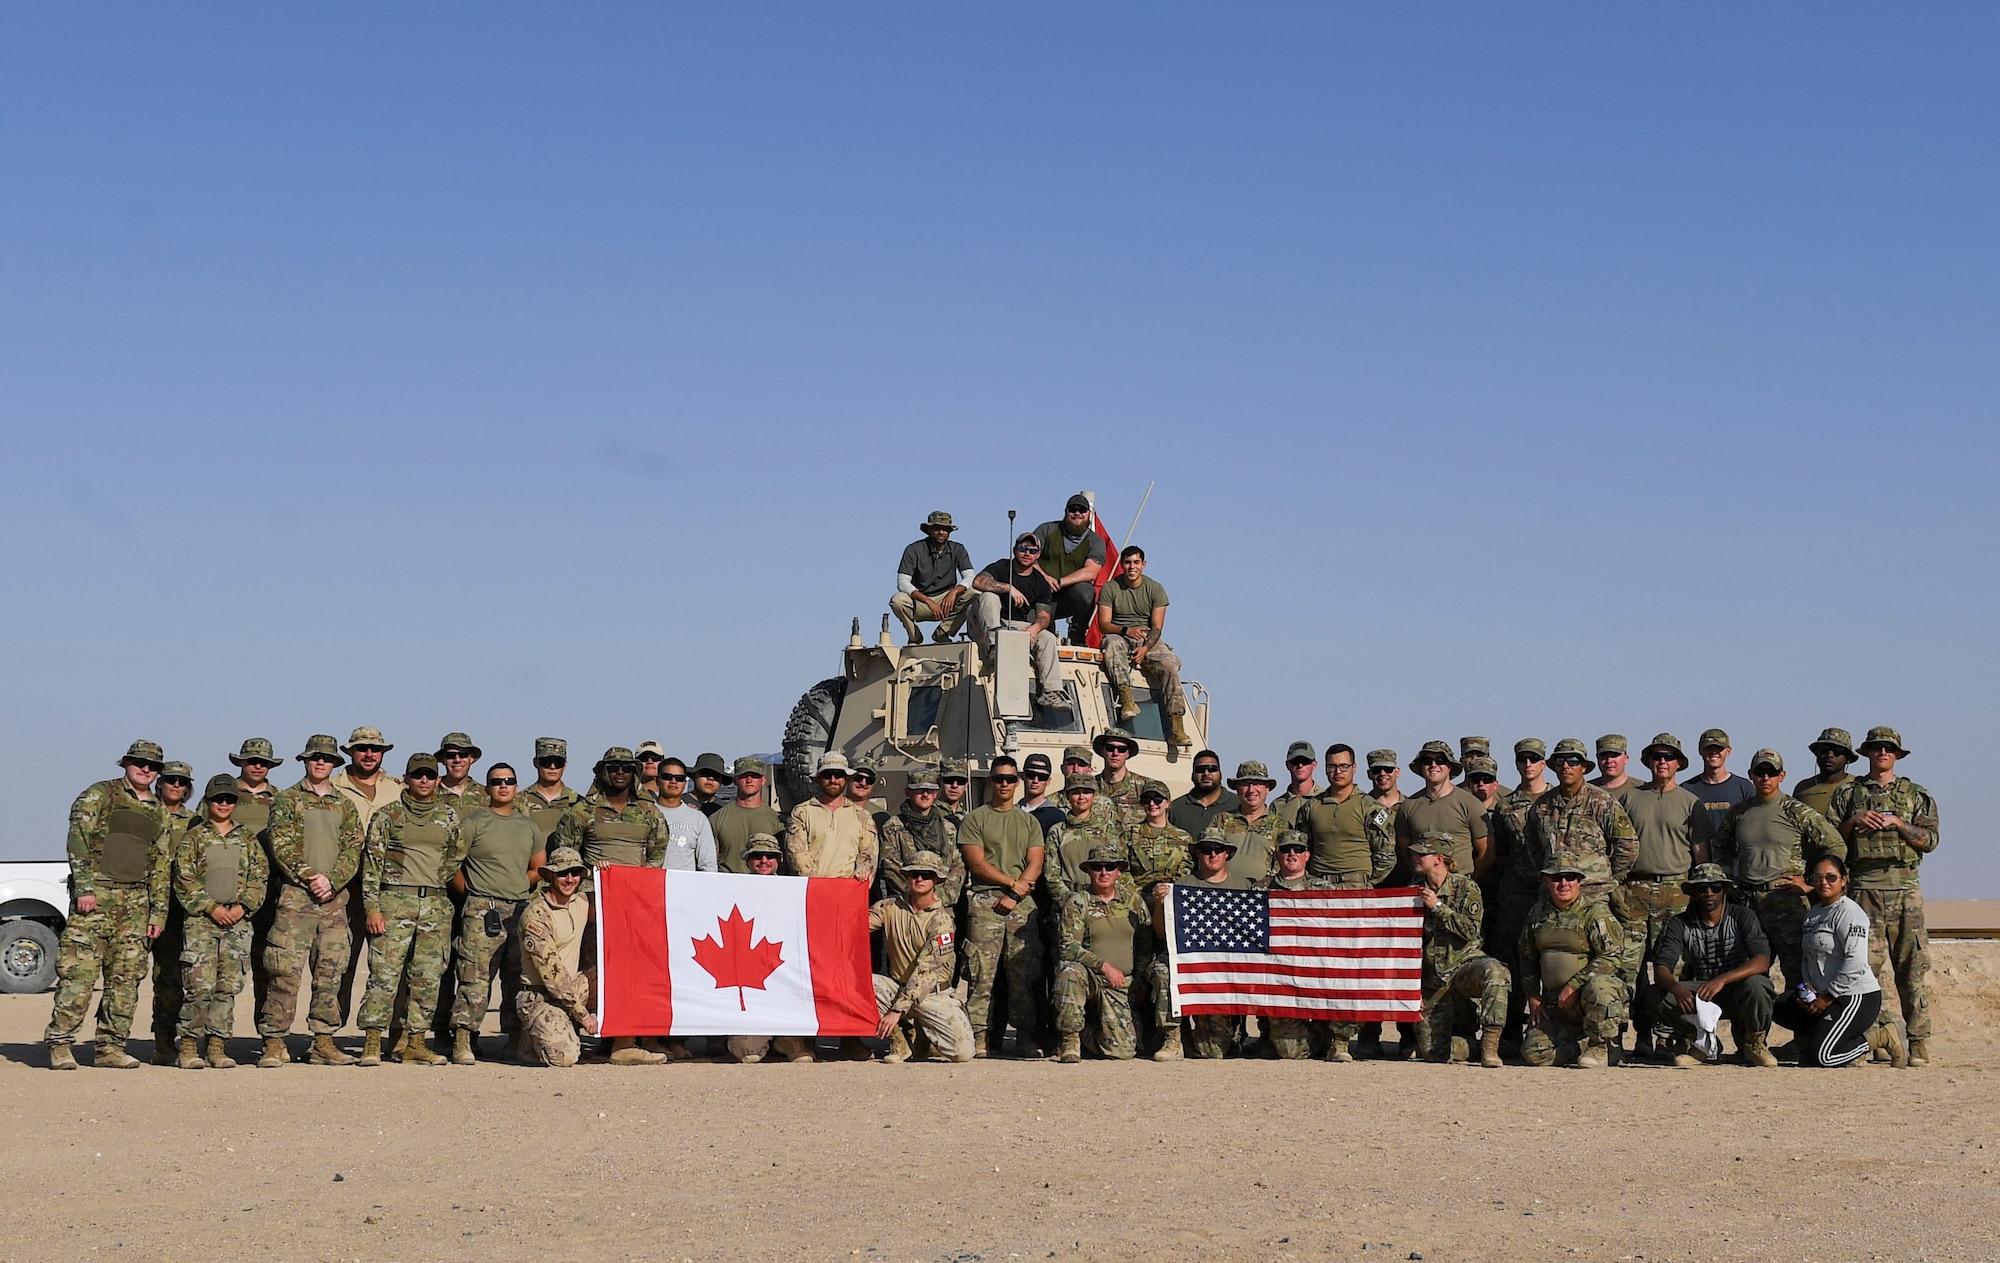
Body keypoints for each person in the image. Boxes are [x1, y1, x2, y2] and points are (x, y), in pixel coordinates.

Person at [45, 740, 171, 1071]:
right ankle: (61, 1044)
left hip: (135, 905)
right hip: (96, 899)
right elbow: (78, 840)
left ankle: (110, 1047)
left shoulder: (158, 810)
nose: (146, 769)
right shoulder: (101, 794)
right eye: (139, 763)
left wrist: (157, 912)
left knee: (125, 981)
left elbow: (160, 864)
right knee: (79, 976)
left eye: (153, 766)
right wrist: (85, 888)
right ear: (126, 763)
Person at [1828, 727, 1939, 1066]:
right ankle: (1875, 1036)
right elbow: (1830, 841)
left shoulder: (1915, 794)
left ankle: (1917, 1041)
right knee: (1864, 971)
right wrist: (1854, 821)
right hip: (1863, 889)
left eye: (1888, 748)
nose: (1882, 753)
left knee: (1912, 969)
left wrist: (1898, 824)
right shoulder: (1848, 795)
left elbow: (1931, 840)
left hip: (1905, 889)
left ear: (1897, 754)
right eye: (1876, 748)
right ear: (1867, 753)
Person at [259, 734, 367, 1068]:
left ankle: (323, 1041)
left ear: (335, 763)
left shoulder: (344, 805)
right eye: (315, 757)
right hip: (296, 898)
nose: (321, 763)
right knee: (284, 972)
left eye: (327, 758)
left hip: (335, 902)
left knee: (331, 972)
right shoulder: (287, 799)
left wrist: (332, 881)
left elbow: (353, 848)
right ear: (305, 761)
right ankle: (275, 1042)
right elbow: (282, 845)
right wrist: (311, 877)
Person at [356, 753, 467, 1067]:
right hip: (394, 902)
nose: (423, 780)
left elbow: (453, 859)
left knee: (428, 976)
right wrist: (373, 909)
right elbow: (371, 867)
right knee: (384, 976)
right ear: (406, 778)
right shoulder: (387, 816)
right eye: (417, 774)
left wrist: (432, 887)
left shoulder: (448, 817)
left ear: (436, 780)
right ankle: (373, 1041)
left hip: (434, 904)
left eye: (429, 775)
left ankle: (416, 1041)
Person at [1708, 749, 1843, 996]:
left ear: (1782, 776)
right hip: (1748, 905)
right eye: (1760, 772)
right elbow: (1720, 847)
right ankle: (1754, 1036)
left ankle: (1802, 1034)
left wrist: (1812, 882)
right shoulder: (1739, 813)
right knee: (1749, 980)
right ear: (1751, 775)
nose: (1765, 778)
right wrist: (1730, 879)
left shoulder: (1796, 811)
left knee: (1799, 978)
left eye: (1771, 772)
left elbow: (1836, 846)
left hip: (1787, 903)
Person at [448, 763, 545, 1065]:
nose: (503, 786)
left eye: (509, 781)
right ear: (488, 788)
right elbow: (452, 867)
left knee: (517, 977)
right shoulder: (473, 823)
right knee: (475, 976)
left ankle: (515, 1040)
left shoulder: (528, 826)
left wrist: (516, 886)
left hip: (519, 908)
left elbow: (538, 868)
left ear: (517, 787)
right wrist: (475, 893)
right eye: (497, 781)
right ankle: (464, 1039)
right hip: (482, 909)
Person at [171, 775, 269, 1070]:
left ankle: (217, 1046)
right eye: (218, 799)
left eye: (229, 799)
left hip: (238, 924)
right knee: (199, 987)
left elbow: (259, 878)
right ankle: (188, 1046)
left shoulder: (248, 840)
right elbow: (183, 878)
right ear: (209, 802)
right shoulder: (194, 838)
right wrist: (211, 907)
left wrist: (243, 907)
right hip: (202, 923)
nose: (224, 804)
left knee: (228, 986)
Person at [1616, 734, 1703, 1056]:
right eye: (1656, 756)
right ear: (1648, 761)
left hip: (1677, 890)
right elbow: (1617, 844)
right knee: (1630, 967)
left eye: (1668, 756)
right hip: (1634, 891)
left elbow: (1701, 853)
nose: (1662, 762)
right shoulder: (1629, 799)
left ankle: (1670, 1036)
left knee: (1673, 968)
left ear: (1679, 763)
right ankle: (1635, 1035)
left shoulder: (1690, 802)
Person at [958, 755, 1047, 1058]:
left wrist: (1017, 893)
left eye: (1010, 779)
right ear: (991, 781)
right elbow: (977, 863)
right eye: (999, 779)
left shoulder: (1029, 822)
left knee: (1022, 974)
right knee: (982, 974)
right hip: (985, 901)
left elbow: (1036, 861)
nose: (1005, 784)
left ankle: (1024, 1035)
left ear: (1017, 781)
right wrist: (1012, 883)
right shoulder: (976, 819)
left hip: (1021, 903)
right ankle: (979, 1036)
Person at [1648, 864, 1778, 1068]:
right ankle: (1701, 1041)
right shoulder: (1680, 923)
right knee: (1655, 995)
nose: (1708, 893)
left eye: (1715, 887)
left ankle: (1754, 1044)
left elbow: (1762, 960)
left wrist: (1723, 979)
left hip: (1737, 989)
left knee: (1758, 985)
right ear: (1693, 892)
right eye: (1701, 888)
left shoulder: (1743, 916)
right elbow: (1662, 967)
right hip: (1701, 993)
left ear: (1724, 890)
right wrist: (1677, 989)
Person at [1772, 854, 1891, 1068]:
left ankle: (1880, 1037)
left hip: (1852, 996)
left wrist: (1829, 996)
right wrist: (1809, 987)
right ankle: (1812, 1042)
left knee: (1825, 1057)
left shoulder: (1850, 913)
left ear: (1844, 880)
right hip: (1822, 995)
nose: (1824, 882)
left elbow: (1854, 961)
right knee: (1779, 1007)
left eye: (1831, 877)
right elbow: (1808, 956)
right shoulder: (1813, 914)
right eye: (1818, 877)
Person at [1409, 834, 1510, 1068]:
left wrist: (1438, 907)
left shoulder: (1466, 887)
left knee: (1495, 972)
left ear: (1438, 859)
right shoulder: (1413, 889)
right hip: (1434, 976)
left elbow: (1470, 930)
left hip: (1464, 966)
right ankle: (1468, 1046)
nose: (1415, 857)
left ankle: (1490, 1046)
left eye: (1421, 853)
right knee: (1433, 1053)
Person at [1518, 855, 1627, 1069]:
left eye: (1570, 877)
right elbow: (1526, 956)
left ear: (1579, 881)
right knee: (1533, 1053)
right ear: (1547, 881)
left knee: (1601, 986)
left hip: (1589, 999)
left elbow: (1611, 957)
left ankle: (1601, 1046)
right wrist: (1533, 995)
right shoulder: (1538, 914)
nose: (1564, 883)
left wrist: (1574, 985)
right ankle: (1580, 1046)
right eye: (1557, 878)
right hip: (1555, 1003)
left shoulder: (1595, 913)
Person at [871, 851, 977, 1064]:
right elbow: (854, 926)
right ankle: (900, 1042)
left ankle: (924, 1033)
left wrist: (896, 1010)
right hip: (897, 987)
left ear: (936, 880)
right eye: (914, 874)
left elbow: (926, 972)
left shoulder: (942, 921)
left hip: (933, 995)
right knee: (861, 983)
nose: (919, 879)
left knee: (962, 1053)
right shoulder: (889, 906)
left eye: (926, 875)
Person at [1054, 843, 1155, 1062]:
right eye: (1097, 867)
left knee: (1122, 1052)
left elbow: (1145, 945)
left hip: (1122, 983)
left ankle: (1090, 1033)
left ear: (1119, 870)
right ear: (1088, 870)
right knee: (1069, 972)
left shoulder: (1133, 901)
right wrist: (1104, 966)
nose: (1103, 872)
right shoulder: (1078, 902)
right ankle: (1070, 1040)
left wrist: (1138, 980)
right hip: (1091, 977)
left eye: (1109, 867)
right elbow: (1068, 946)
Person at [1096, 545, 1191, 748]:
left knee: (1168, 663)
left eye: (1136, 562)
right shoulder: (1110, 588)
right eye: (1128, 563)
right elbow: (1103, 624)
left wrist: (1145, 649)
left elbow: (1157, 628)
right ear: (1122, 565)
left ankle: (1176, 725)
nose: (1132, 567)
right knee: (1112, 646)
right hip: (1119, 634)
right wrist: (1126, 630)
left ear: (1143, 565)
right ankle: (1127, 699)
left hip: (1148, 638)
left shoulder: (1155, 589)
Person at [515, 847, 598, 1068]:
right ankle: (529, 1043)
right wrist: (583, 1015)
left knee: (610, 979)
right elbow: (553, 975)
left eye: (575, 873)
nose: (569, 879)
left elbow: (616, 896)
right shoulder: (536, 916)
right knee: (565, 1058)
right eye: (563, 873)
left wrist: (607, 868)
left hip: (571, 987)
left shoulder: (581, 902)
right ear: (550, 875)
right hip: (541, 996)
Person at [1177, 828, 1254, 1059]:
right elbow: (1165, 933)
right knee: (1209, 1052)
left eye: (1218, 849)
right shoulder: (1182, 887)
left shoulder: (1245, 888)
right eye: (1206, 850)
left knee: (1215, 1051)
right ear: (1198, 854)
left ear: (1227, 854)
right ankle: (1175, 1036)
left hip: (1233, 968)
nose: (1213, 855)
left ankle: (1239, 1029)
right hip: (1197, 968)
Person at [731, 835, 808, 1064]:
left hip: (785, 969)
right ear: (747, 860)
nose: (764, 861)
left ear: (779, 860)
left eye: (770, 856)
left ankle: (789, 1039)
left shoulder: (795, 891)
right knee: (746, 1053)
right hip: (749, 974)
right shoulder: (731, 890)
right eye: (757, 856)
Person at [1258, 833, 1335, 1060]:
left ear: (1307, 855)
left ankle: (1336, 1041)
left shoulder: (1325, 889)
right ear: (1277, 854)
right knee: (1290, 1053)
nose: (1292, 854)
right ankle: (1288, 1036)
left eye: (1298, 849)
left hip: (1318, 969)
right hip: (1280, 975)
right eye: (1286, 849)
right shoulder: (1261, 889)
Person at [968, 532, 1065, 706]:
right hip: (987, 622)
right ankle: (995, 648)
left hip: (1015, 626)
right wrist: (1008, 588)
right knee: (989, 597)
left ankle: (1051, 691)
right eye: (1023, 548)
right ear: (1015, 550)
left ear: (1038, 555)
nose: (1027, 553)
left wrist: (1034, 628)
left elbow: (1044, 616)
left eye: (1032, 550)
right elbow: (978, 582)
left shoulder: (1040, 582)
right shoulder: (1002, 567)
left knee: (1048, 638)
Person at [147, 762, 199, 1062]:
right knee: (131, 975)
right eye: (170, 780)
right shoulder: (145, 814)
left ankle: (172, 1040)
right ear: (160, 782)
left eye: (181, 781)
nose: (176, 785)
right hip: (143, 905)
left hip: (181, 909)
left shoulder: (195, 822)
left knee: (176, 977)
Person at [1394, 741, 1490, 884]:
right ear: (1421, 766)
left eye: (1440, 760)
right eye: (1427, 761)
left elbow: (1487, 852)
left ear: (1449, 766)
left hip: (1460, 886)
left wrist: (1467, 883)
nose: (1434, 765)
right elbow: (1404, 852)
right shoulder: (1408, 806)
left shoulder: (1470, 804)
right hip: (1421, 889)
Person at [784, 751, 879, 880]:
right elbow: (796, 854)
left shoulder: (862, 816)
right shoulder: (802, 813)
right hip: (813, 887)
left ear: (847, 778)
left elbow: (869, 853)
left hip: (849, 890)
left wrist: (861, 872)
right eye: (827, 775)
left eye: (838, 775)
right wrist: (816, 882)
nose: (833, 780)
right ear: (818, 778)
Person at [878, 764, 965, 904]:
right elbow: (891, 868)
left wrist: (942, 896)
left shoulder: (948, 829)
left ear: (936, 794)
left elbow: (957, 866)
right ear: (908, 792)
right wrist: (918, 895)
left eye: (930, 791)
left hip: (941, 904)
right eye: (919, 790)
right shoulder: (894, 827)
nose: (925, 795)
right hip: (909, 904)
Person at [1042, 774, 1127, 907]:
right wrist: (1070, 900)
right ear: (1067, 796)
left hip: (1103, 904)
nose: (1081, 797)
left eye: (1086, 792)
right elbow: (1051, 875)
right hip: (1068, 904)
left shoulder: (1107, 828)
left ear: (1094, 795)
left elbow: (1119, 869)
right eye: (1076, 793)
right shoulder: (1058, 831)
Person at [890, 510, 973, 645]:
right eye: (937, 528)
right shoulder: (914, 549)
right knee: (898, 600)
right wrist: (929, 601)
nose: (941, 532)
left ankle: (943, 633)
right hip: (921, 601)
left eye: (945, 529)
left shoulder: (958, 549)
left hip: (947, 600)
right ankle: (914, 636)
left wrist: (954, 592)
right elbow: (902, 582)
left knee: (975, 593)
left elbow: (970, 577)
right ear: (929, 530)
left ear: (949, 532)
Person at [1034, 493, 1109, 643]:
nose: (1077, 513)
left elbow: (1091, 571)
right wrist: (1045, 577)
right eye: (1073, 509)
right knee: (1042, 635)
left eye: (1081, 510)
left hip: (1069, 596)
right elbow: (1028, 557)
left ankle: (1077, 634)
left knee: (1086, 592)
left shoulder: (1095, 541)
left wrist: (1060, 582)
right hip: (1041, 594)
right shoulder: (1047, 530)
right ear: (1065, 512)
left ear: (1089, 514)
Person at [711, 756, 785, 874]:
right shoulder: (717, 818)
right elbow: (710, 860)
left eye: (755, 776)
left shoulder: (777, 820)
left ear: (764, 780)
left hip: (764, 886)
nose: (749, 780)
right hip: (728, 885)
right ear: (735, 780)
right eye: (744, 776)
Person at [1685, 729, 1755, 853]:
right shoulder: (1687, 789)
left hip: (1736, 866)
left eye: (1719, 749)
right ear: (1700, 751)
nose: (1713, 752)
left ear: (1728, 751)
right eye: (1708, 748)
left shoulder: (1744, 788)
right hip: (1699, 866)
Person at [1218, 762, 1284, 883]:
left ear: (1267, 788)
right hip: (1223, 895)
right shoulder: (1221, 820)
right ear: (1237, 789)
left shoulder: (1280, 825)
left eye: (1258, 784)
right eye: (1245, 784)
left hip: (1262, 896)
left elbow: (1283, 867)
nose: (1251, 790)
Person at [654, 757, 720, 873]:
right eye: (667, 777)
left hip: (685, 888)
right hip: (649, 884)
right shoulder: (644, 813)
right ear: (657, 780)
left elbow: (708, 865)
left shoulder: (698, 819)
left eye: (679, 778)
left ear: (684, 783)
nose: (673, 781)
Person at [520, 738, 584, 851]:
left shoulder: (579, 804)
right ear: (535, 763)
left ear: (565, 765)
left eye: (558, 762)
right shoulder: (519, 801)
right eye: (546, 761)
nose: (552, 767)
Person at [1093, 728, 1167, 828]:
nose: (1115, 753)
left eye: (1121, 749)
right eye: (1110, 748)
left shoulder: (1146, 787)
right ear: (1102, 750)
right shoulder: (1089, 788)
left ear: (1128, 754)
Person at [1794, 728, 1859, 822]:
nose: (1830, 755)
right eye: (1824, 750)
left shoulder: (1858, 786)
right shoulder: (1803, 789)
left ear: (1847, 758)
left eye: (1837, 751)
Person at [1169, 750, 1238, 837]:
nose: (1206, 773)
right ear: (1192, 775)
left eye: (1211, 769)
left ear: (1220, 775)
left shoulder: (1238, 805)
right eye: (1200, 770)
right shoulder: (1175, 808)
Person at [435, 732, 488, 816]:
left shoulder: (486, 794)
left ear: (471, 758)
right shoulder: (431, 793)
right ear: (443, 759)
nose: (457, 760)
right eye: (451, 755)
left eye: (463, 754)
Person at [1271, 741, 1319, 828]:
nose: (1300, 765)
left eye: (1305, 761)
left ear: (1314, 765)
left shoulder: (1325, 799)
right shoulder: (1277, 805)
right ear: (1287, 765)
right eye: (1295, 761)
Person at [1020, 753, 1067, 835]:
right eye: (1031, 775)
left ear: (1048, 781)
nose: (1035, 781)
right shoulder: (1012, 811)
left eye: (1042, 777)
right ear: (1022, 776)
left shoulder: (1056, 816)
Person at [937, 759, 972, 828]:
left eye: (960, 782)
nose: (954, 786)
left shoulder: (969, 818)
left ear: (966, 786)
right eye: (949, 780)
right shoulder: (929, 812)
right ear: (939, 782)